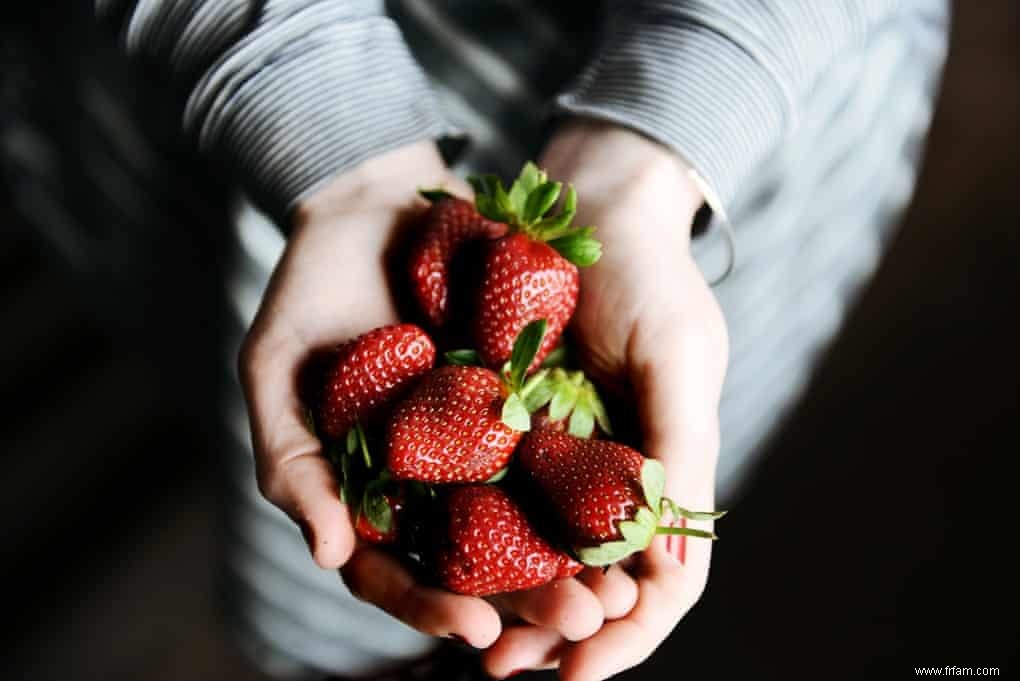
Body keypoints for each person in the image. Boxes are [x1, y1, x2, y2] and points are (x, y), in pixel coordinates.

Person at [78, 1, 947, 679]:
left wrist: (645, 162)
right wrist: (336, 150)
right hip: (265, 90)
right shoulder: (483, 392)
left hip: (739, 104)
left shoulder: (497, 400)